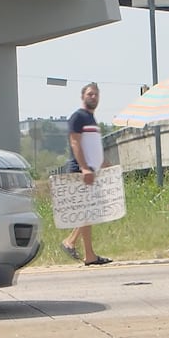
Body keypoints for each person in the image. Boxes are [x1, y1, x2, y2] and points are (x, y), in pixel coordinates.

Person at [60, 83, 113, 266]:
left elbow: (93, 146)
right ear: (83, 96)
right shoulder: (78, 117)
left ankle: (73, 243)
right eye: (90, 94)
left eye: (96, 94)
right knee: (87, 211)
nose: (94, 97)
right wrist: (84, 168)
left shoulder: (91, 119)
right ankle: (87, 253)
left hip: (92, 169)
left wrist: (104, 163)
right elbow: (75, 143)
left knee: (88, 211)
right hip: (81, 171)